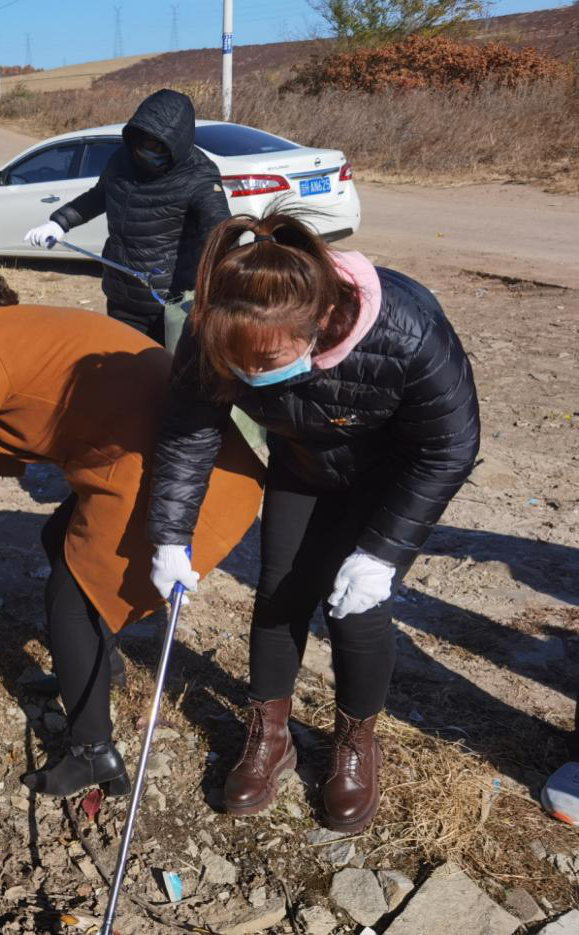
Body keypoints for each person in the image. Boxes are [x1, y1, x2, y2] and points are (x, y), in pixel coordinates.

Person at [0, 267, 264, 796]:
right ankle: (98, 672)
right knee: (58, 540)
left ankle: (92, 753)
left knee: (73, 595)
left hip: (177, 469)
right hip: (148, 452)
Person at [147, 212, 480, 833]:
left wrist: (383, 552)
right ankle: (269, 735)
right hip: (302, 465)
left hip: (392, 475)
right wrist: (169, 536)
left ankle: (356, 742)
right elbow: (190, 432)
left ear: (320, 322)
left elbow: (450, 446)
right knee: (280, 592)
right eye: (235, 364)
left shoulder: (406, 331)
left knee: (355, 609)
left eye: (265, 360)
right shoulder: (217, 323)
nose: (248, 376)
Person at [22, 89, 231, 344]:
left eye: (157, 146)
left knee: (163, 375)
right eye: (143, 142)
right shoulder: (122, 159)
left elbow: (218, 229)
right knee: (123, 372)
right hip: (120, 296)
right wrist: (59, 222)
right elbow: (99, 196)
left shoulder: (199, 174)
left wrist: (224, 278)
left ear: (176, 143)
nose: (146, 151)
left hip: (168, 305)